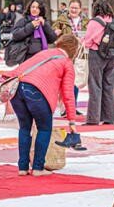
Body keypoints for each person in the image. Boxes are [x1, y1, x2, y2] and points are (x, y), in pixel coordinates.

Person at [5, 32, 81, 175]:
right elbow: (68, 95)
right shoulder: (66, 63)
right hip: (37, 92)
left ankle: (22, 167)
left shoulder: (45, 53)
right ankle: (38, 168)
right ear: (73, 50)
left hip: (17, 89)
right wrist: (72, 121)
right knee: (44, 128)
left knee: (24, 128)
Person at [83, 0, 114, 124]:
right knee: (108, 87)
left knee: (95, 86)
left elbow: (88, 41)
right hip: (111, 56)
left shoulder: (94, 22)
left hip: (96, 55)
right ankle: (108, 118)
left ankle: (93, 118)